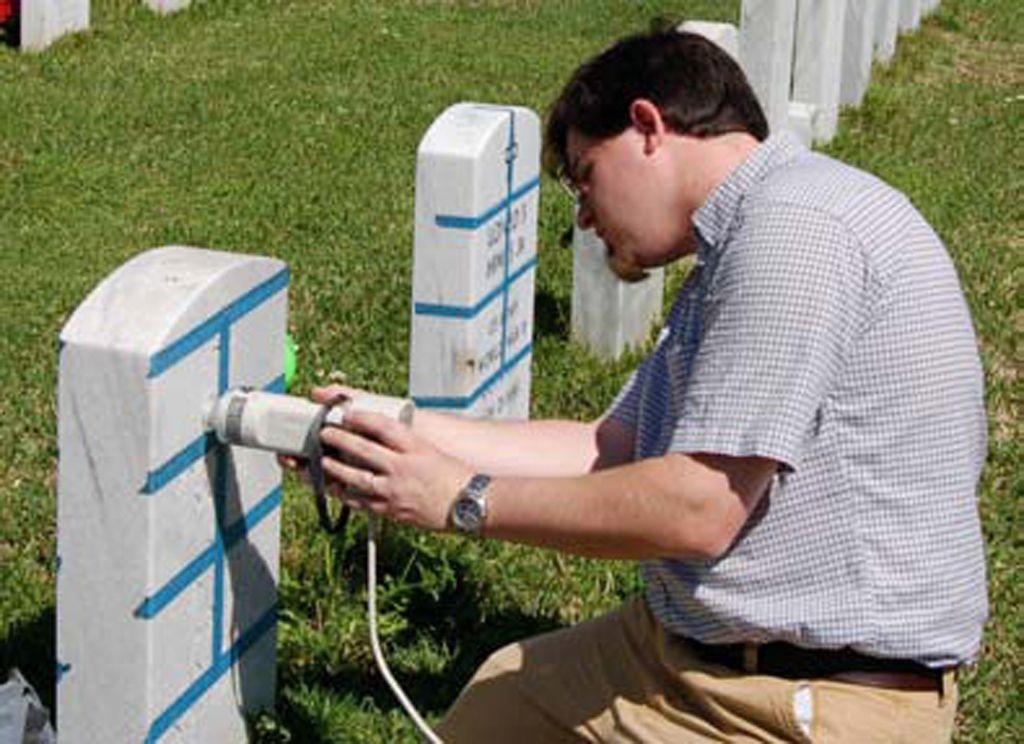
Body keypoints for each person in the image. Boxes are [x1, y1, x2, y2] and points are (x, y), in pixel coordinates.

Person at [304, 30, 988, 742]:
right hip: (689, 649)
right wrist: (390, 429)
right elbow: (610, 445)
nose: (584, 216)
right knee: (509, 701)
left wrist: (463, 500)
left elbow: (697, 510)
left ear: (647, 127)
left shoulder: (796, 230)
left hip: (810, 695)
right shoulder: (741, 240)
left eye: (583, 175)